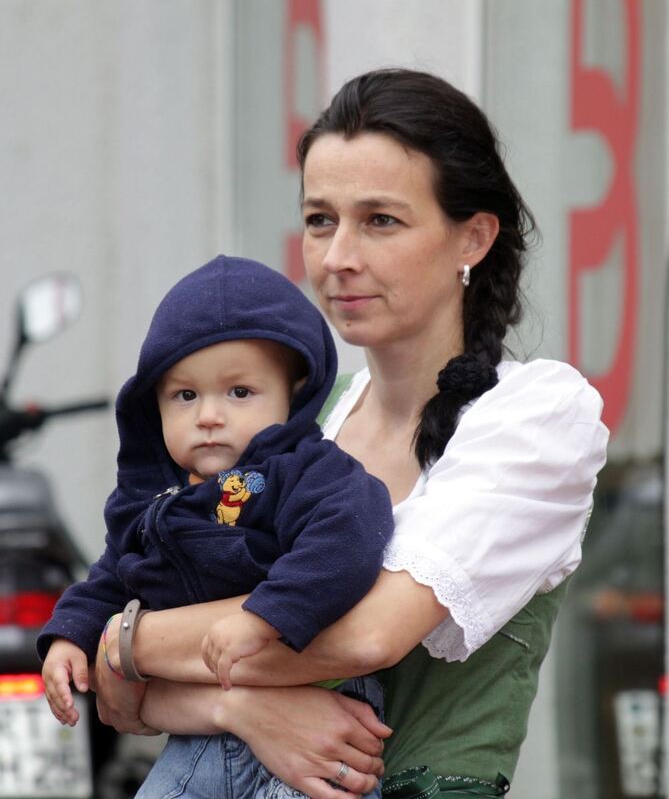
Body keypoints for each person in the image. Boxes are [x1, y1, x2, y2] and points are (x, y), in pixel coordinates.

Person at [89, 68, 608, 799]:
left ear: (473, 237)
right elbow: (123, 693)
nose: (337, 259)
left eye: (380, 221)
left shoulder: (534, 416)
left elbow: (369, 635)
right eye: (319, 219)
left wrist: (125, 641)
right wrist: (235, 705)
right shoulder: (297, 416)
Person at [38, 256, 395, 797]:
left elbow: (347, 541)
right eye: (185, 395)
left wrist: (262, 617)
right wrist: (69, 637)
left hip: (320, 706)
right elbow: (112, 575)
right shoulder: (154, 503)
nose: (208, 415)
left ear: (293, 394)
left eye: (239, 392)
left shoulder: (301, 472)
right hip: (199, 731)